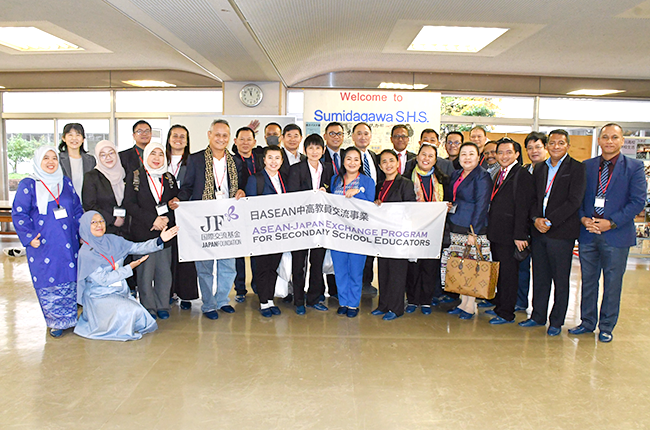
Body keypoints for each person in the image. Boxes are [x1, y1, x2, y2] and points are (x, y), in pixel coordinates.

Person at [570, 123, 647, 342]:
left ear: (622, 141)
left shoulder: (634, 167)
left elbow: (637, 202)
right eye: (605, 137)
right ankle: (586, 322)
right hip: (588, 233)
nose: (609, 141)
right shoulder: (587, 166)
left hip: (616, 235)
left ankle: (606, 326)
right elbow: (579, 197)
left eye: (614, 137)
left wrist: (610, 223)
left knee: (612, 283)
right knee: (589, 281)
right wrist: (583, 218)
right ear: (599, 140)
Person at [176, 119, 246, 320]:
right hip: (203, 219)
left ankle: (222, 300)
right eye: (217, 134)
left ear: (229, 138)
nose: (221, 139)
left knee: (228, 264)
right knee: (205, 265)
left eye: (225, 135)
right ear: (209, 135)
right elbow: (188, 187)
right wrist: (178, 200)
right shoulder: (196, 160)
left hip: (229, 219)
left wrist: (241, 190)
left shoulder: (236, 162)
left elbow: (239, 186)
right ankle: (208, 304)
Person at [519, 130, 586, 336]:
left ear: (568, 145)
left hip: (561, 232)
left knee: (560, 279)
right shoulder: (539, 168)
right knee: (540, 276)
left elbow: (574, 201)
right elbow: (532, 199)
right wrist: (535, 219)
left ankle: (556, 321)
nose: (556, 146)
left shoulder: (577, 168)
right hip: (538, 231)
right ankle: (538, 316)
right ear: (547, 146)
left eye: (561, 143)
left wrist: (551, 221)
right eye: (552, 143)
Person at [12, 146, 84, 337]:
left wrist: (83, 231)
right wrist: (28, 237)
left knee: (70, 276)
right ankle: (55, 321)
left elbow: (77, 209)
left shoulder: (65, 182)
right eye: (46, 158)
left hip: (68, 242)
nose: (51, 162)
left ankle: (70, 318)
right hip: (43, 244)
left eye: (54, 158)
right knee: (49, 278)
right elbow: (19, 213)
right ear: (38, 161)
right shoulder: (28, 184)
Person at [74, 211, 179, 341]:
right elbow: (103, 280)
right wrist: (129, 268)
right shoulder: (85, 252)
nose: (99, 225)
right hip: (98, 295)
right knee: (131, 312)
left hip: (118, 291)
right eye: (93, 222)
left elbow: (137, 247)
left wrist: (160, 240)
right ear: (85, 226)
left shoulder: (113, 240)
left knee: (142, 317)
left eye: (101, 221)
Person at [123, 142, 178, 320]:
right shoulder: (135, 176)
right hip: (143, 233)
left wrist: (166, 219)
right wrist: (152, 220)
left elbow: (174, 204)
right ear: (146, 155)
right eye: (152, 154)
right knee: (145, 273)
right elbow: (129, 204)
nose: (156, 158)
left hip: (165, 232)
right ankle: (148, 306)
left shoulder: (169, 177)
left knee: (164, 271)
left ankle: (162, 304)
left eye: (160, 154)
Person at [486, 137, 534, 324]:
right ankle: (499, 304)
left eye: (508, 152)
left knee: (509, 274)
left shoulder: (521, 175)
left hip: (511, 235)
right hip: (498, 232)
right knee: (500, 271)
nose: (503, 156)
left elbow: (523, 207)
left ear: (516, 154)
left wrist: (520, 235)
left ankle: (506, 312)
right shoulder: (500, 172)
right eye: (500, 152)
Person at [441, 143, 492, 319]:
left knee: (472, 266)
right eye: (464, 154)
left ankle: (470, 306)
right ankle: (463, 302)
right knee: (460, 265)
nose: (467, 157)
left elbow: (482, 205)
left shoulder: (482, 177)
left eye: (471, 154)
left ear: (479, 157)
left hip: (472, 227)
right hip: (456, 225)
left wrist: (474, 232)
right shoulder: (457, 174)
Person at [288, 134, 334, 314]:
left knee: (317, 262)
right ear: (305, 151)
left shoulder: (329, 169)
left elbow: (334, 193)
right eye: (310, 148)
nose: (314, 152)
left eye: (317, 148)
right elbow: (293, 195)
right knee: (299, 262)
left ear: (323, 151)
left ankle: (315, 297)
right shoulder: (296, 169)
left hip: (321, 225)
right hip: (301, 224)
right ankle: (299, 300)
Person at [403, 144, 450, 313]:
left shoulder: (443, 179)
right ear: (417, 156)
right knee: (413, 267)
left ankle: (426, 301)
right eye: (423, 155)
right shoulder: (407, 177)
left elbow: (450, 199)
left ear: (435, 160)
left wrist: (449, 206)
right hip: (413, 230)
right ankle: (413, 300)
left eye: (430, 156)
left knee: (430, 267)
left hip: (435, 229)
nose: (426, 159)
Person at [329, 146, 376, 318]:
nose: (352, 162)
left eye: (356, 159)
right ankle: (343, 302)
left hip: (358, 234)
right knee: (340, 269)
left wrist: (358, 194)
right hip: (338, 232)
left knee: (355, 270)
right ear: (343, 161)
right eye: (348, 158)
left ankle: (353, 304)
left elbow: (370, 207)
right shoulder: (335, 179)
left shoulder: (367, 181)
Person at [371, 149, 416, 320]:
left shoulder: (405, 183)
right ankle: (383, 305)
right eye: (384, 162)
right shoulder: (379, 185)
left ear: (398, 163)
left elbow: (410, 208)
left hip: (399, 236)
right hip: (383, 235)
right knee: (383, 271)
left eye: (391, 160)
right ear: (380, 166)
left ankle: (396, 308)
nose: (388, 164)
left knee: (397, 273)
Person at [245, 145, 289, 317]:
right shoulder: (255, 179)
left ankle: (270, 299)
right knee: (262, 267)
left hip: (279, 232)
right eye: (270, 157)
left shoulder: (284, 178)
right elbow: (250, 206)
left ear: (281, 161)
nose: (273, 161)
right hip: (261, 233)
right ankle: (263, 302)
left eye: (277, 158)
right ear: (263, 160)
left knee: (273, 266)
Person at [165, 125, 199, 311]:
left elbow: (195, 185)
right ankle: (169, 291)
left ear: (187, 141)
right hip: (164, 213)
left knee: (186, 255)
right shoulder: (160, 158)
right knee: (168, 255)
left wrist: (182, 199)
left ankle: (186, 294)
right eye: (175, 135)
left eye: (182, 136)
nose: (178, 139)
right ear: (169, 138)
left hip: (186, 212)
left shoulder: (193, 160)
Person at [516, 132, 549, 312]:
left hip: (546, 227)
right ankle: (521, 301)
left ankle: (540, 309)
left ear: (546, 148)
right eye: (529, 148)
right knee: (522, 266)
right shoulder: (525, 170)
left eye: (538, 147)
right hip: (525, 226)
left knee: (542, 272)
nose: (534, 151)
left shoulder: (551, 171)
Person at [231, 126, 262, 303]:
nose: (245, 143)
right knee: (239, 251)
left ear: (254, 142)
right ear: (235, 142)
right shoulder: (231, 161)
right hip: (238, 212)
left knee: (257, 249)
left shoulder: (259, 160)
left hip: (258, 213)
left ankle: (257, 286)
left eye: (249, 139)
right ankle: (240, 288)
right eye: (241, 139)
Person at [352, 122, 382, 296]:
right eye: (359, 133)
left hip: (373, 210)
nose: (363, 137)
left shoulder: (374, 156)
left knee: (369, 247)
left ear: (370, 136)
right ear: (353, 136)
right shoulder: (348, 156)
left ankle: (366, 282)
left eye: (366, 133)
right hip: (354, 210)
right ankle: (354, 282)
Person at [82, 140, 128, 237]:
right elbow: (89, 205)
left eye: (111, 153)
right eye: (103, 155)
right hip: (104, 231)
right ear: (98, 157)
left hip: (126, 231)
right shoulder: (91, 177)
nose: (108, 157)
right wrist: (112, 219)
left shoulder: (124, 174)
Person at [58, 122, 96, 202]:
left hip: (86, 206)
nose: (74, 138)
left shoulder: (91, 160)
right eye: (70, 135)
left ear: (83, 139)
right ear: (63, 138)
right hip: (65, 205)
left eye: (78, 135)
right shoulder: (57, 159)